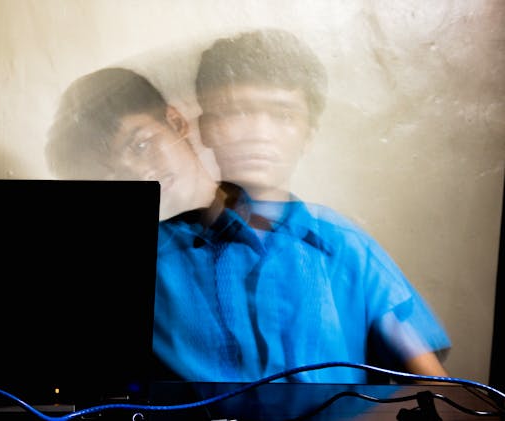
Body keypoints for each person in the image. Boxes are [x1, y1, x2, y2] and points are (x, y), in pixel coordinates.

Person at [152, 28, 451, 384]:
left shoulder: (346, 246)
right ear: (207, 128)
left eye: (282, 115)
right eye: (238, 111)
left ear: (307, 134)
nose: (259, 131)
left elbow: (434, 387)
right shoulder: (155, 254)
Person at [45, 66, 217, 220]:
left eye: (141, 146)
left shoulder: (240, 197)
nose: (141, 175)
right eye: (114, 177)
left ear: (176, 122)